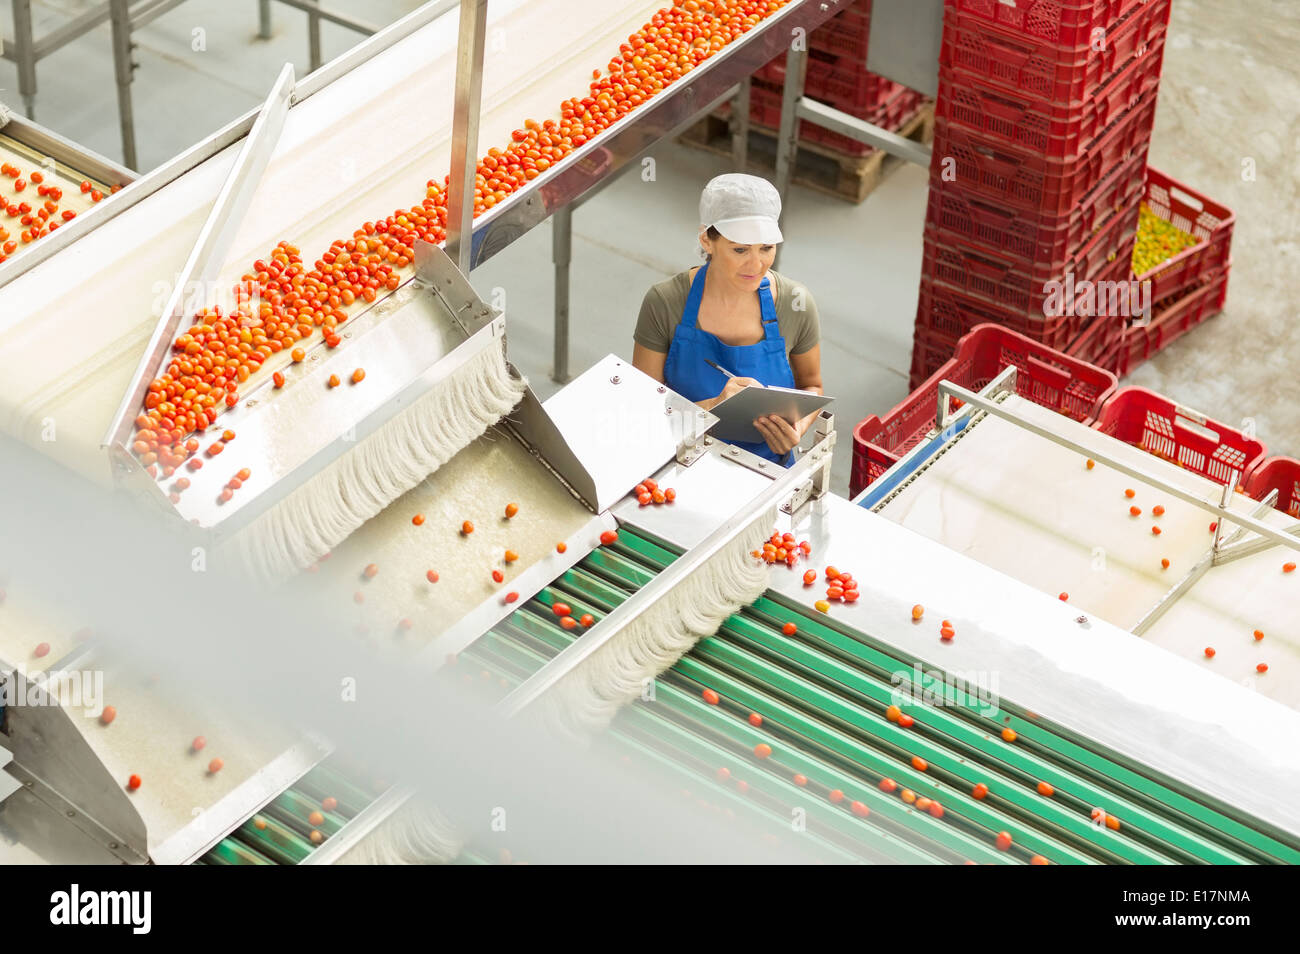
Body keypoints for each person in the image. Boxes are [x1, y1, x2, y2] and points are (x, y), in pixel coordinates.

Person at [632, 173, 823, 466]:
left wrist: (795, 428)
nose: (756, 264)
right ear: (707, 240)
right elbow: (642, 408)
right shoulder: (666, 302)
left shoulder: (795, 303)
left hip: (767, 469)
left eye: (766, 248)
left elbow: (811, 386)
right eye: (740, 249)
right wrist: (713, 408)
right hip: (683, 459)